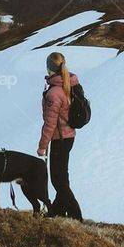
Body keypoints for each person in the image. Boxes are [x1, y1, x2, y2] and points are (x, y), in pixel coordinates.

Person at [38, 50, 83, 220]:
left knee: (58, 181)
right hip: (69, 136)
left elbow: (50, 123)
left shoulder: (54, 93)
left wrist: (42, 147)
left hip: (60, 138)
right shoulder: (69, 84)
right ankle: (56, 212)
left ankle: (76, 217)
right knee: (61, 177)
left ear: (49, 68)